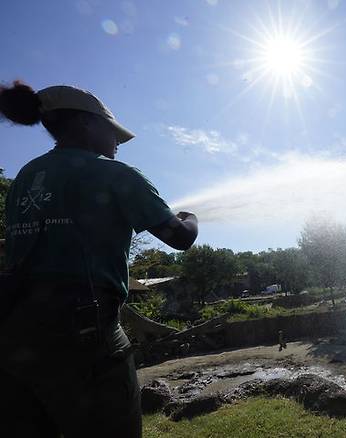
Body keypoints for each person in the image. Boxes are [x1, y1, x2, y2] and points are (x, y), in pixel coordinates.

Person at [0, 81, 198, 437]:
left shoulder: (26, 177)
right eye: (113, 131)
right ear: (85, 124)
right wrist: (190, 217)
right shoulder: (115, 174)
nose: (118, 142)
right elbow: (179, 238)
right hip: (86, 341)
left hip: (15, 341)